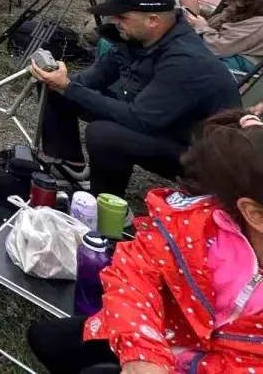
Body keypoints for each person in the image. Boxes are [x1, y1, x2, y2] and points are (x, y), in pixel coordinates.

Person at [26, 108, 263, 374]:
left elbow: (140, 114)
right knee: (47, 338)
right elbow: (137, 268)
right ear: (254, 214)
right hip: (157, 333)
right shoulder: (199, 225)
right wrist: (143, 350)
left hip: (194, 361)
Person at [30, 0, 240, 198]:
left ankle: (107, 208)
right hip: (160, 124)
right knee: (54, 87)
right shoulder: (136, 39)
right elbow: (85, 81)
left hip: (198, 154)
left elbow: (140, 119)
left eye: (122, 17)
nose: (115, 22)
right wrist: (58, 80)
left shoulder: (186, 60)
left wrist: (69, 87)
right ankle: (72, 171)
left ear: (153, 20)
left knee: (104, 134)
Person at [186, 0, 263, 75]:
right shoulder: (240, 12)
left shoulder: (257, 24)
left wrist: (201, 27)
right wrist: (197, 10)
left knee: (191, 64)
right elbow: (215, 20)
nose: (226, 2)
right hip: (228, 50)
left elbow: (217, 48)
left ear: (248, 2)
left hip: (242, 60)